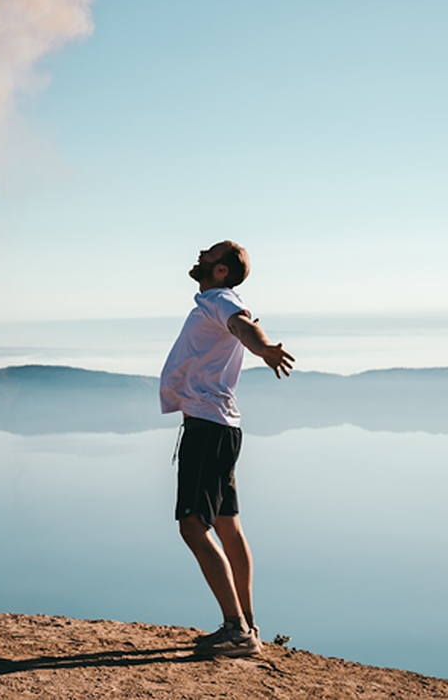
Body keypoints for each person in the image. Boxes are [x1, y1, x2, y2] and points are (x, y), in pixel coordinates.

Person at [160, 240, 294, 658]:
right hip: (219, 426)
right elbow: (240, 326)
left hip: (207, 428)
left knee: (192, 526)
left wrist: (263, 348)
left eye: (210, 253)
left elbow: (243, 326)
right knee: (226, 524)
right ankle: (246, 623)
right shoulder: (214, 302)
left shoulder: (221, 300)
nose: (201, 253)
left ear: (221, 271)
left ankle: (237, 631)